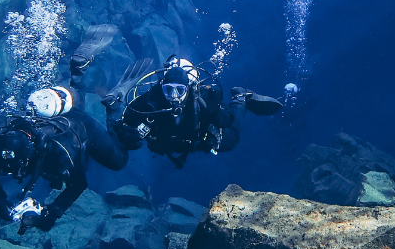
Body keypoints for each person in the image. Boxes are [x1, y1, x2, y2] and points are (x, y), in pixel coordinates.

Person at [0, 25, 151, 231]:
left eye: (13, 170)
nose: (10, 174)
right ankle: (78, 69)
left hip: (83, 128)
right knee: (75, 105)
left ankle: (114, 106)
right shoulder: (0, 146)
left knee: (119, 161)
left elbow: (79, 184)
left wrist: (54, 212)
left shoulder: (59, 155)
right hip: (56, 115)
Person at [113, 55, 281, 168]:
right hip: (171, 143)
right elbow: (127, 118)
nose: (173, 96)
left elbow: (227, 121)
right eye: (168, 90)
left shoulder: (202, 98)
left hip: (199, 139)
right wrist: (125, 132)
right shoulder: (152, 99)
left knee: (232, 140)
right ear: (161, 87)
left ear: (188, 87)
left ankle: (241, 98)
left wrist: (213, 112)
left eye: (179, 90)